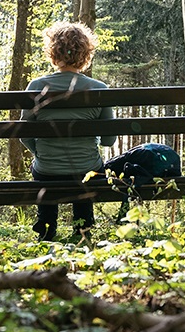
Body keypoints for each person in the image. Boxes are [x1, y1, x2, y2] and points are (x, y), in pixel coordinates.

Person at [20, 22, 115, 241]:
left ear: (53, 52)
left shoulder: (36, 85)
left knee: (42, 170)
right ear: (85, 54)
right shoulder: (99, 89)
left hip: (47, 170)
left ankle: (46, 231)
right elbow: (109, 140)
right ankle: (83, 233)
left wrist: (41, 154)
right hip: (86, 170)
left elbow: (25, 133)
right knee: (88, 171)